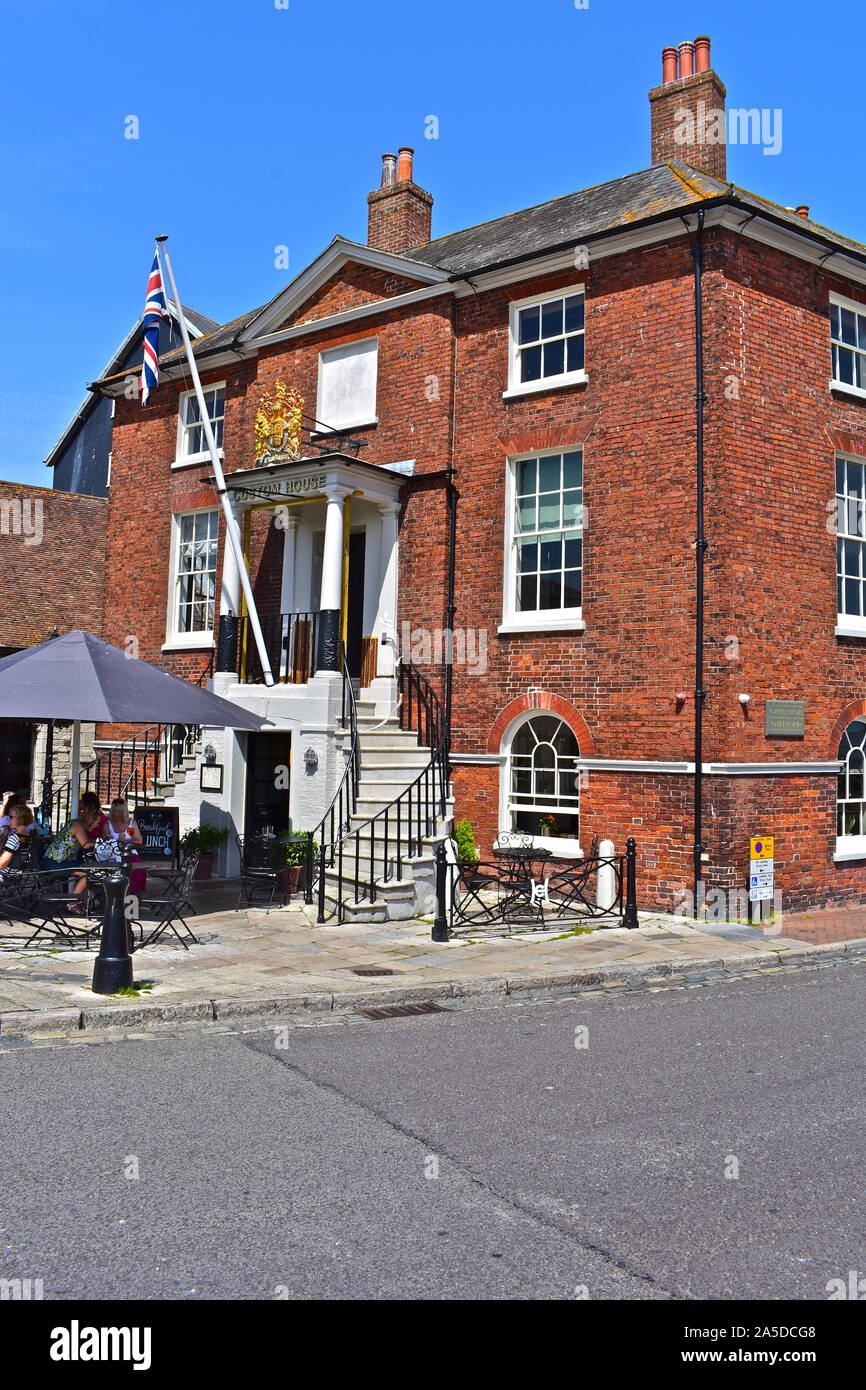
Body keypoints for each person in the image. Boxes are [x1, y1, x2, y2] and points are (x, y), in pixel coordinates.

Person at [104, 798, 146, 898]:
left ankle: (133, 894)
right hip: (113, 854)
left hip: (130, 852)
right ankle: (121, 895)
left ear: (124, 812)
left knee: (137, 868)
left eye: (119, 811)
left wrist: (125, 841)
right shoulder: (108, 824)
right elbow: (106, 841)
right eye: (114, 811)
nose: (116, 814)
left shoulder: (130, 824)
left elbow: (138, 840)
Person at [0, 804, 37, 878]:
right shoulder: (28, 838)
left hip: (5, 874)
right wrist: (5, 835)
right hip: (16, 872)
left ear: (20, 819)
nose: (8, 819)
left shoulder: (14, 838)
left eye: (11, 817)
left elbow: (2, 864)